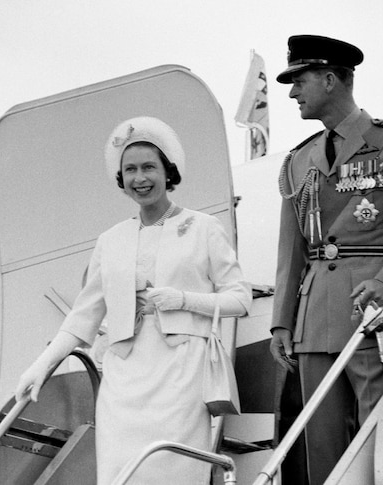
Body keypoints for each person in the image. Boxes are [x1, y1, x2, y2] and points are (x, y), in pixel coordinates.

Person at [15, 116, 252, 484]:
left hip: (181, 373)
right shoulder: (111, 240)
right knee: (122, 474)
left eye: (148, 167)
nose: (140, 178)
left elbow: (240, 297)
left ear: (167, 171)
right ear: (121, 179)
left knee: (173, 469)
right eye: (130, 170)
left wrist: (183, 300)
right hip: (124, 380)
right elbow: (83, 318)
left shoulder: (204, 228)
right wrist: (41, 366)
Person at [268, 35, 383, 483]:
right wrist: (282, 323)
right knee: (322, 448)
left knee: (378, 439)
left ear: (330, 80)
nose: (292, 92)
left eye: (299, 80)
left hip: (370, 314)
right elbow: (292, 251)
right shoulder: (298, 160)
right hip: (313, 319)